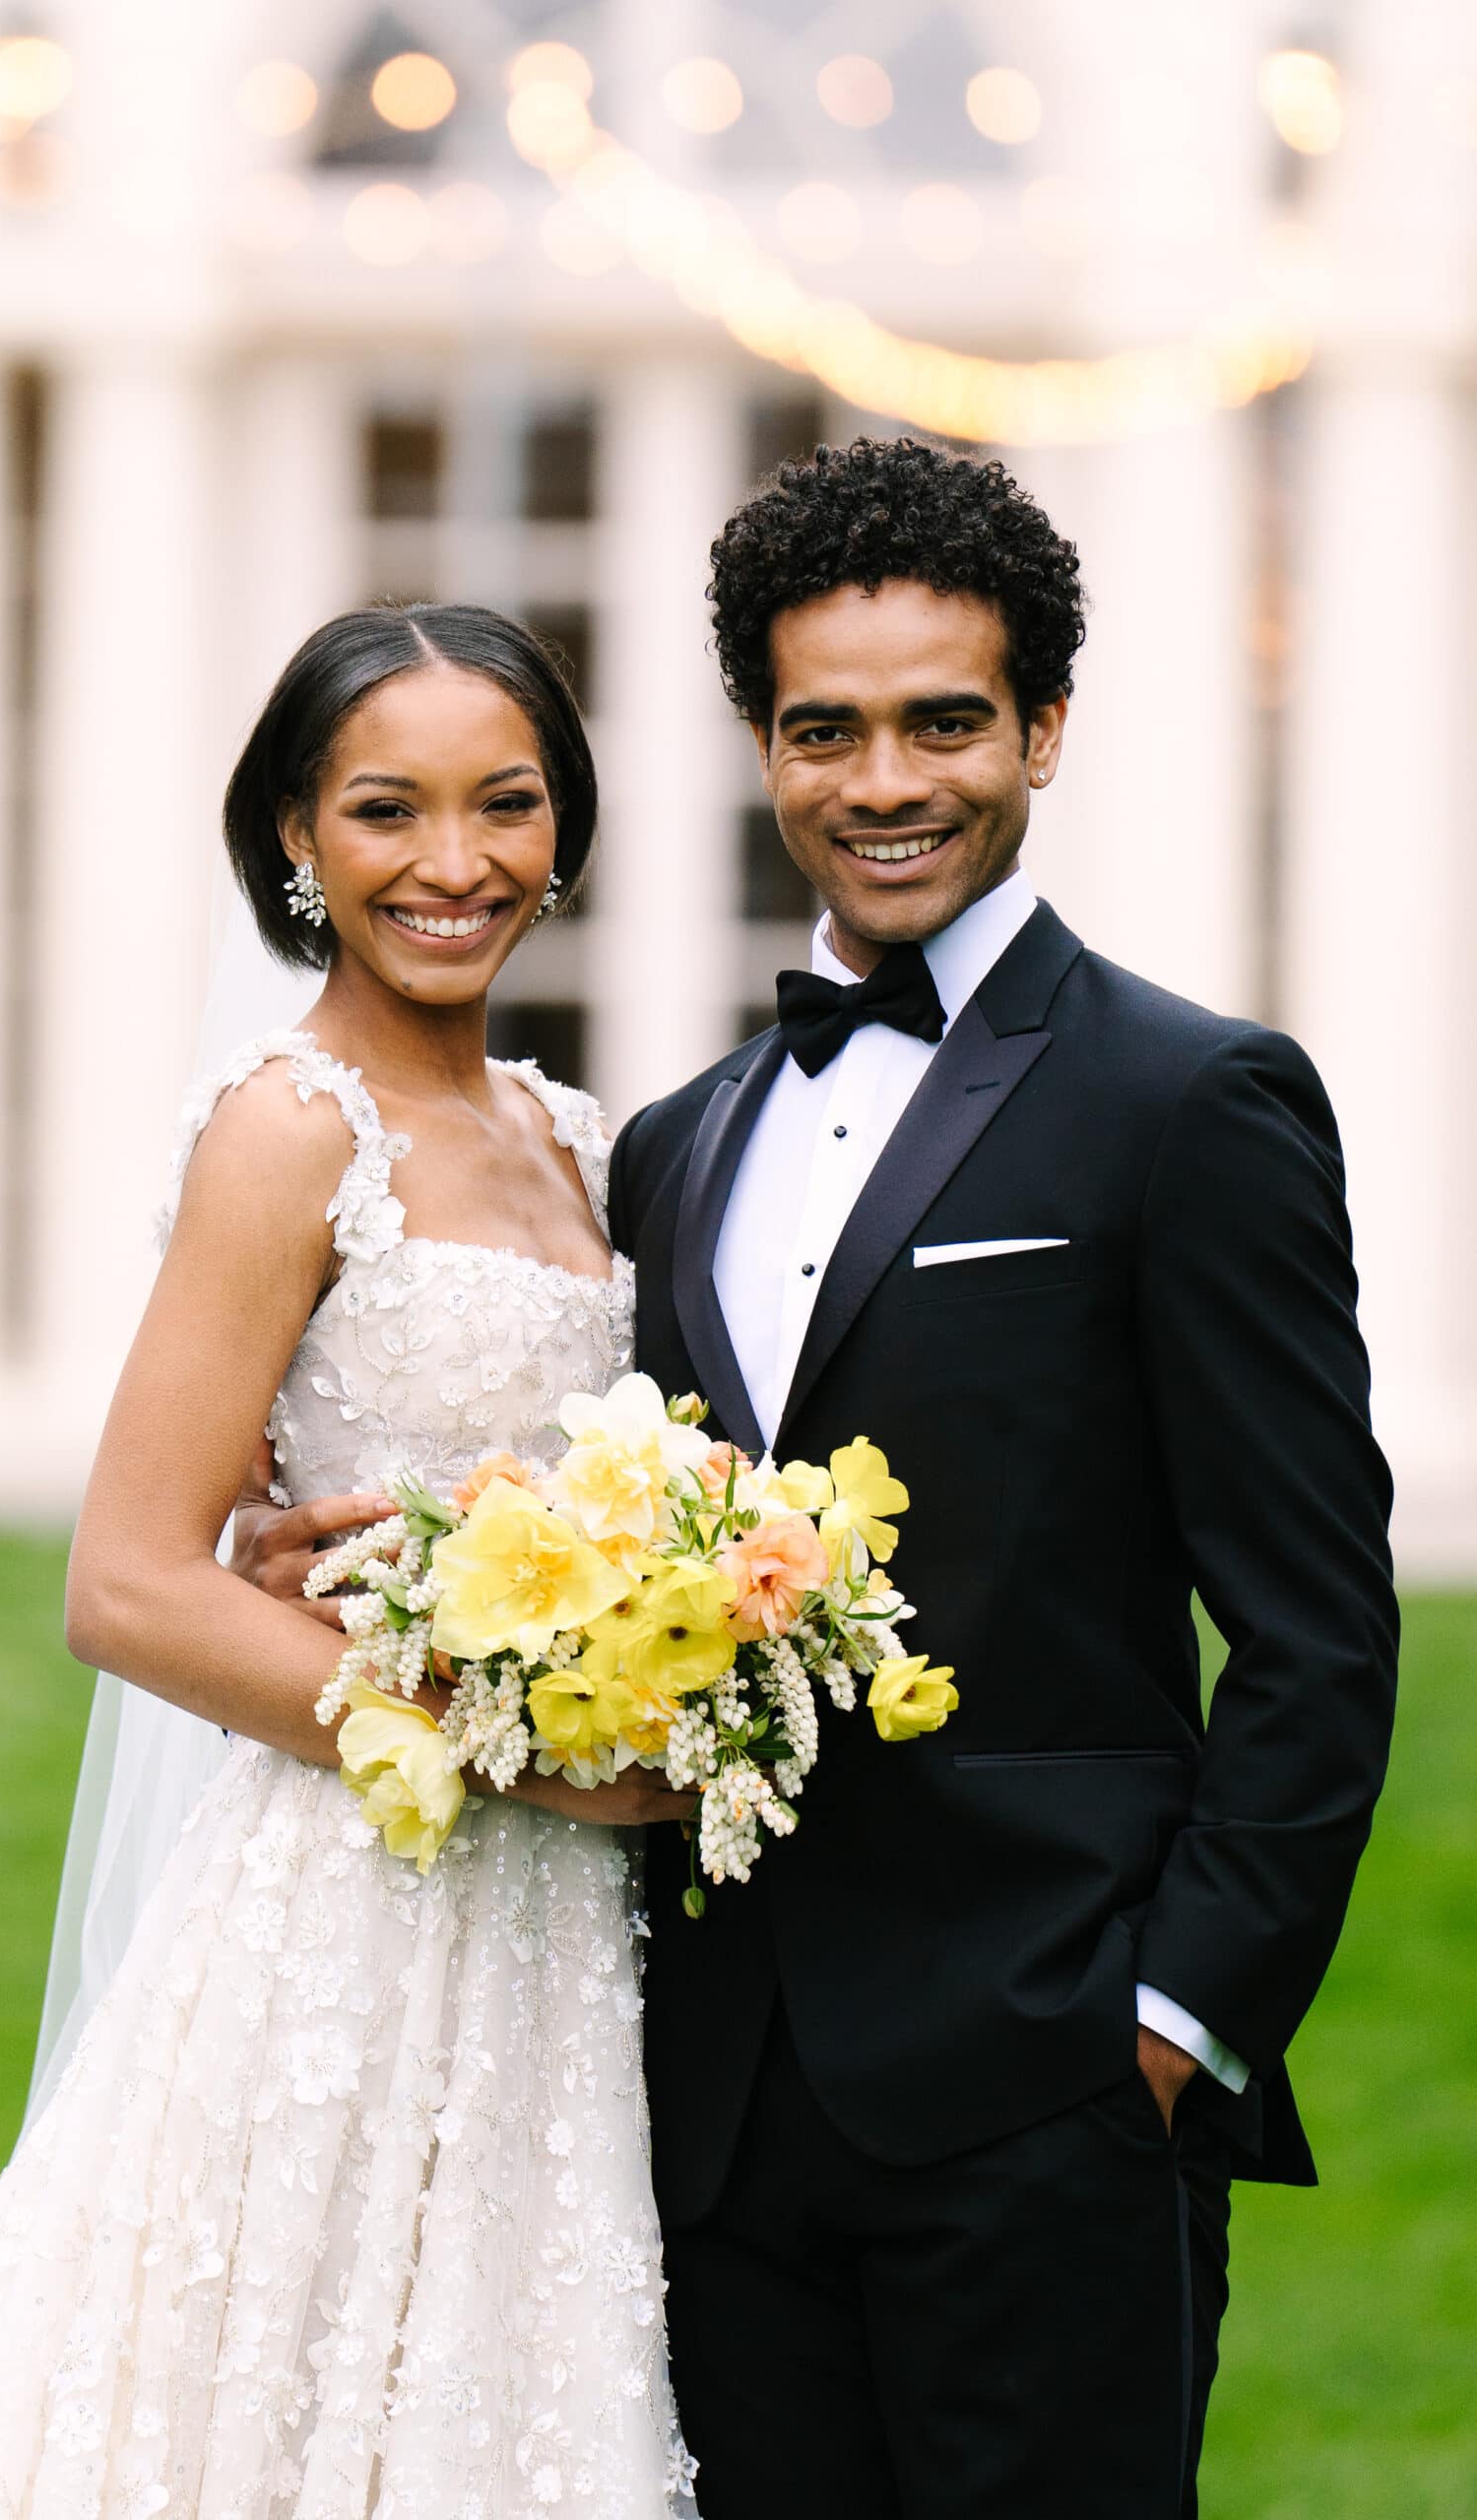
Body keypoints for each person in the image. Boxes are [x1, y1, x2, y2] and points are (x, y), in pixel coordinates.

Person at [0, 605, 698, 2519]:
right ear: (296, 838)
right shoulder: (292, 1130)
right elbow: (126, 1580)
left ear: (569, 828)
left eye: (506, 803)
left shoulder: (575, 1137)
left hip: (554, 1941)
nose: (452, 860)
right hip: (356, 1888)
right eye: (387, 808)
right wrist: (523, 1739)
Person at [611, 438, 1398, 2517]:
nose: (883, 779)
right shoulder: (674, 1142)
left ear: (1040, 725)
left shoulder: (1188, 1098)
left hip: (1051, 2086)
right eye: (825, 728)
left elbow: (1314, 1620)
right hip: (708, 2099)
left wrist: (1171, 2020)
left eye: (941, 720)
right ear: (760, 743)